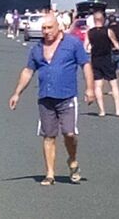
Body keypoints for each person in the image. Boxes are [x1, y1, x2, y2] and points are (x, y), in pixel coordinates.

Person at [9, 13, 95, 186]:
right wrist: (17, 93)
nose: (46, 32)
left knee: (69, 133)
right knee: (48, 135)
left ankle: (72, 159)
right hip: (45, 97)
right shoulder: (37, 49)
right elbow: (28, 71)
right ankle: (50, 173)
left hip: (67, 96)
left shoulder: (72, 44)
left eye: (49, 28)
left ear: (58, 27)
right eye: (44, 28)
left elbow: (85, 64)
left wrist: (90, 88)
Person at [84, 11, 119, 117]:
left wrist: (91, 49)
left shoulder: (90, 32)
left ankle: (102, 111)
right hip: (107, 59)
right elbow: (117, 46)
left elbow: (85, 46)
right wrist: (113, 47)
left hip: (95, 60)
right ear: (103, 20)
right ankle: (118, 110)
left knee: (98, 85)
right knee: (113, 84)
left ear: (94, 20)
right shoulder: (108, 31)